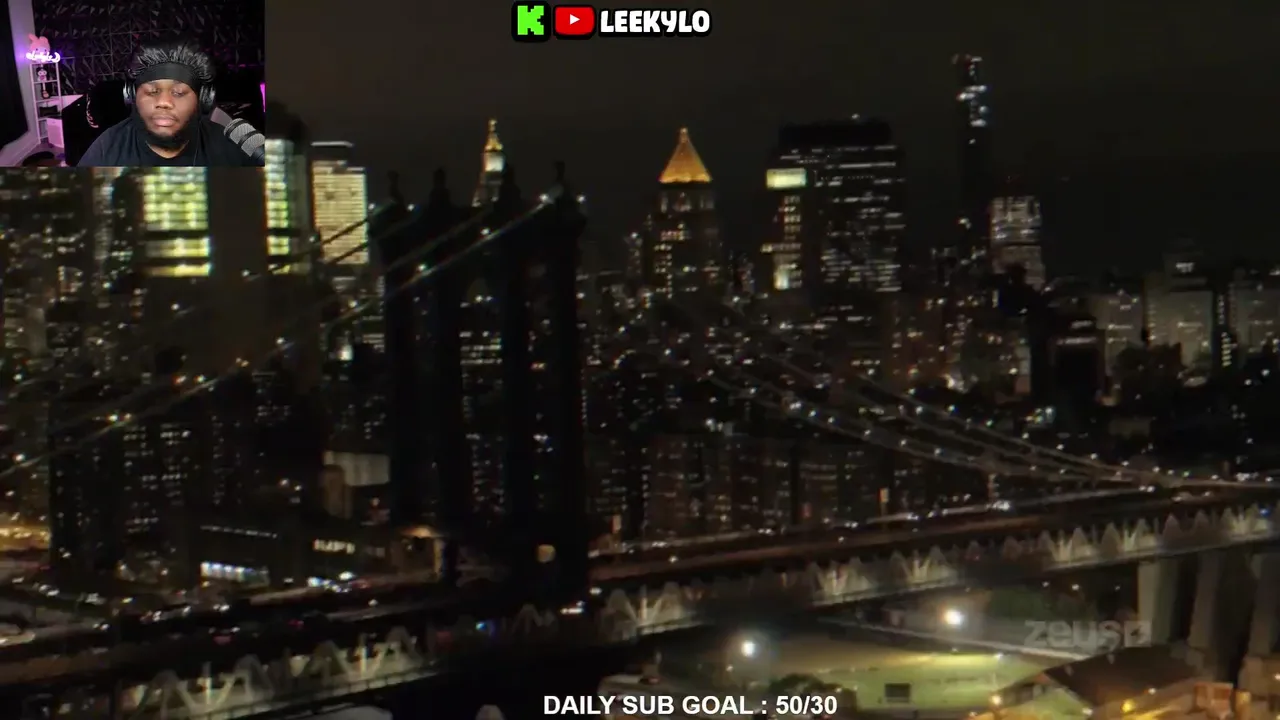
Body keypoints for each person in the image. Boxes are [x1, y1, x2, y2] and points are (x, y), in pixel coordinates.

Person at [77, 38, 262, 167]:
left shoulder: (231, 145)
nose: (164, 102)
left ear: (203, 100)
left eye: (179, 92)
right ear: (131, 97)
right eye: (152, 91)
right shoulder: (106, 149)